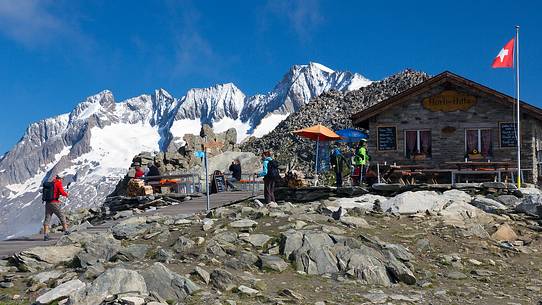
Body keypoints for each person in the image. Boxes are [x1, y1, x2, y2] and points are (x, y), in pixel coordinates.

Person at [43, 175, 69, 241]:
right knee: (61, 215)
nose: (62, 180)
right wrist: (66, 194)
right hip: (54, 203)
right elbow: (62, 192)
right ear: (60, 178)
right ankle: (66, 231)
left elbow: (55, 192)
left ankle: (45, 235)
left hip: (48, 203)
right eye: (62, 178)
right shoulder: (58, 183)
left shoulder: (52, 183)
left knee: (47, 218)